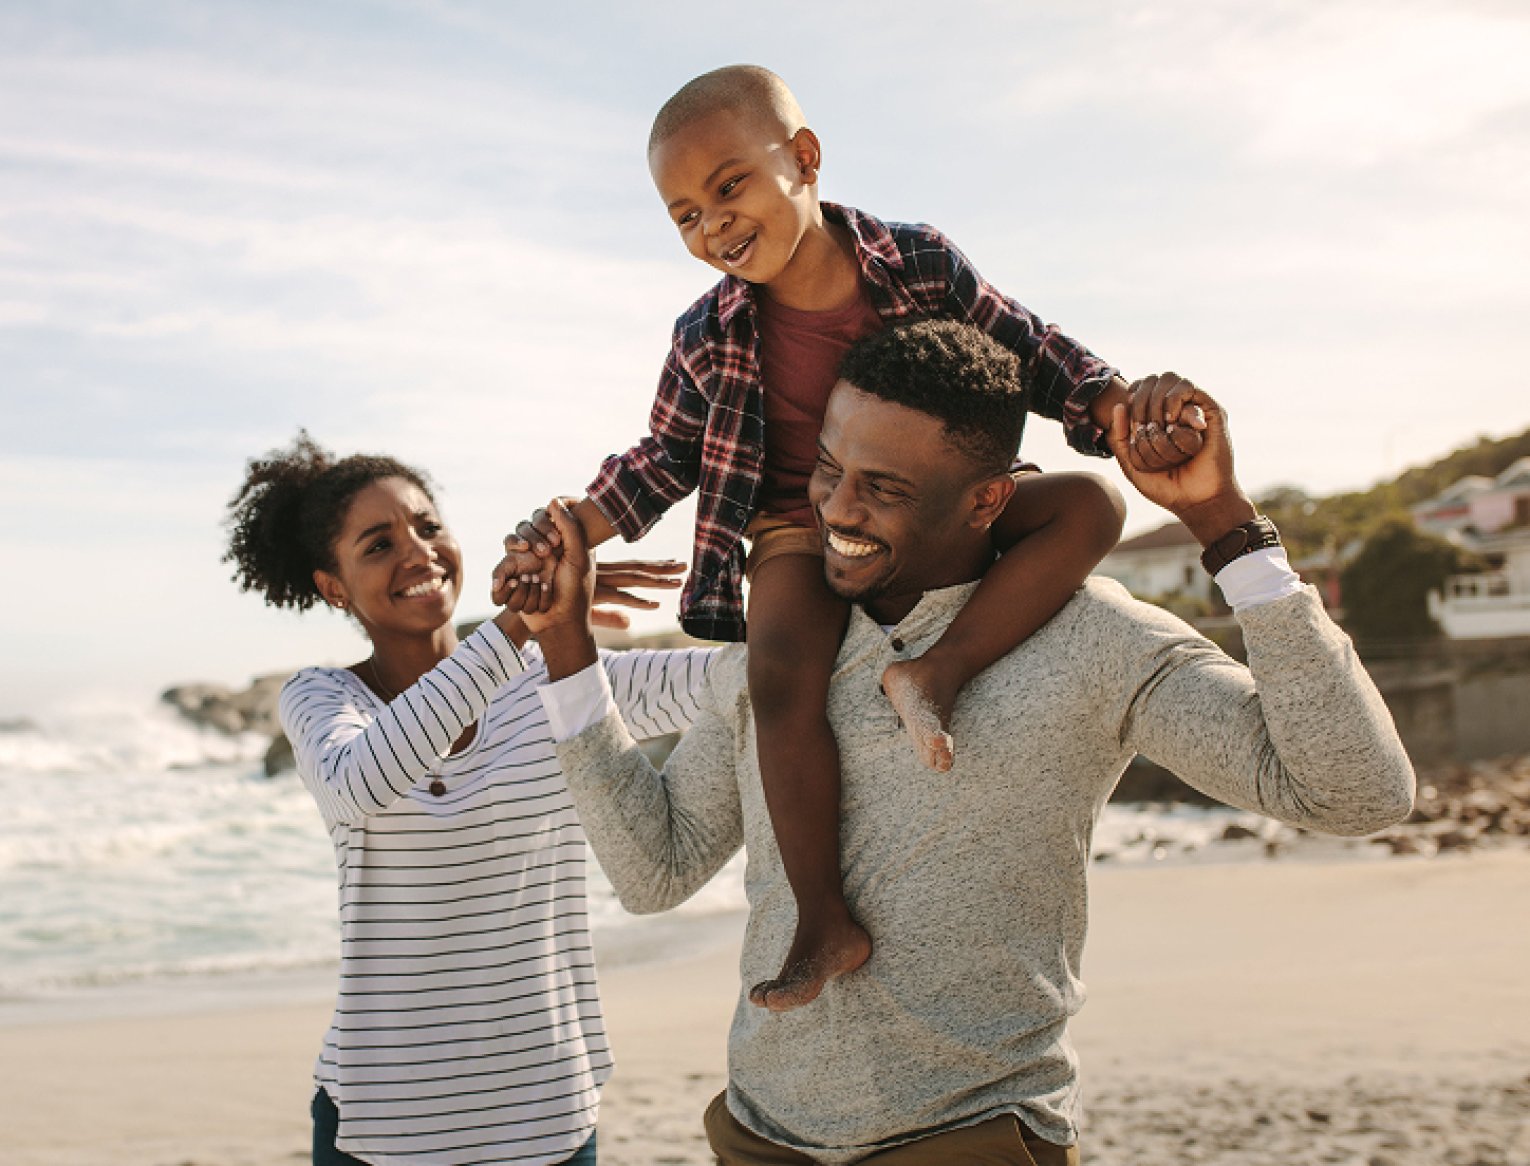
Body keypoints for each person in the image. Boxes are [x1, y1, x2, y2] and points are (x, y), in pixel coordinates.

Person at [520, 320, 1416, 1165]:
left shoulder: (1091, 638)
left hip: (974, 1138)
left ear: (989, 498)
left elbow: (1356, 791)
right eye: (829, 469)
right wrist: (567, 649)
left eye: (885, 488)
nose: (837, 507)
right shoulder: (781, 653)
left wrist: (1224, 525)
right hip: (764, 1134)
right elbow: (654, 870)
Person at [494, 64, 1206, 1012]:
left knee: (1091, 510)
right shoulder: (706, 333)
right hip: (799, 522)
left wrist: (1117, 405)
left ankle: (936, 673)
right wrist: (569, 526)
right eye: (683, 216)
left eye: (728, 187)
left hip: (934, 506)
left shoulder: (915, 262)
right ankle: (823, 920)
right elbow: (663, 456)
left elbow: (1031, 349)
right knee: (779, 671)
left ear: (802, 158)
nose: (712, 227)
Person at [222, 434, 713, 1166]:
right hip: (383, 1126)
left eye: (427, 526)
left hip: (548, 1117)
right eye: (378, 544)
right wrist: (519, 622)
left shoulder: (560, 676)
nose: (417, 552)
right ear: (334, 586)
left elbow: (731, 682)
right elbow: (361, 782)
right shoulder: (322, 699)